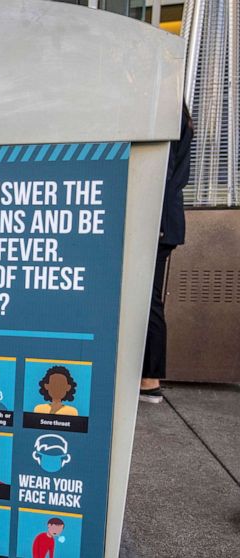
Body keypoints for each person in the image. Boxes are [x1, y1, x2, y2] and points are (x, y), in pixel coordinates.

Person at [141, 103, 193, 404]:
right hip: (161, 220)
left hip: (157, 221)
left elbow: (164, 174)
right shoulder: (175, 115)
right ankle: (147, 376)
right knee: (147, 300)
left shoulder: (165, 115)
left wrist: (156, 224)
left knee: (148, 301)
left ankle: (150, 378)